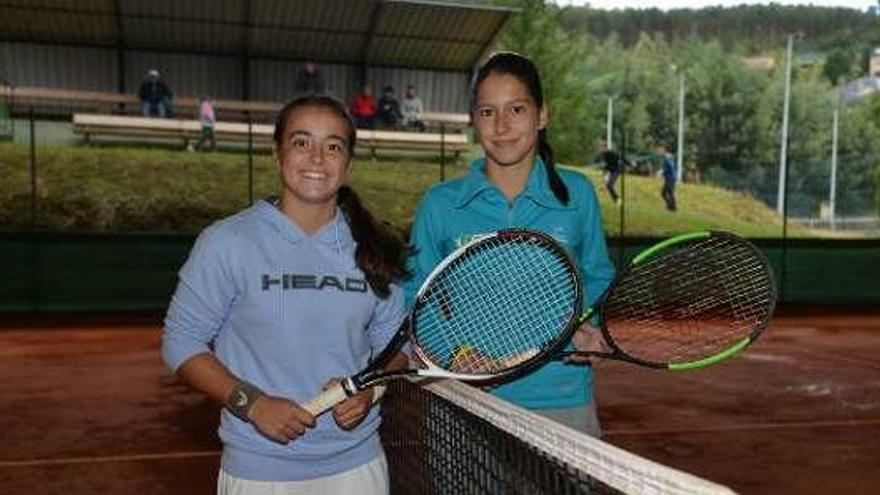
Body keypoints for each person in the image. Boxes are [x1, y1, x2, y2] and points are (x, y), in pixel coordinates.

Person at [162, 94, 409, 493]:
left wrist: (371, 388)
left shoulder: (374, 248)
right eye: (301, 142)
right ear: (277, 154)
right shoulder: (227, 242)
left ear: (348, 164)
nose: (316, 158)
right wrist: (252, 403)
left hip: (356, 467)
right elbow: (180, 342)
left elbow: (397, 347)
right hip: (259, 471)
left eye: (333, 146)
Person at [407, 52, 615, 437]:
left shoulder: (578, 195)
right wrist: (458, 353)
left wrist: (587, 325)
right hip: (467, 400)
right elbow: (414, 298)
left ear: (542, 115)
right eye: (487, 112)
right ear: (474, 120)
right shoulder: (439, 204)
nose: (501, 126)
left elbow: (598, 277)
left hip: (563, 402)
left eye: (516, 109)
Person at [595, 138, 628, 205]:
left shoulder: (611, 153)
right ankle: (616, 199)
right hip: (611, 171)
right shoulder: (603, 154)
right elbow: (607, 164)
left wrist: (630, 164)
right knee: (608, 185)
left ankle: (618, 200)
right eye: (599, 147)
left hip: (616, 170)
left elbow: (621, 158)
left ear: (605, 147)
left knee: (609, 185)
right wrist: (605, 170)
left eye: (601, 147)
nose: (599, 149)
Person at [657, 142, 677, 212]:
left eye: (660, 149)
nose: (659, 151)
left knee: (670, 193)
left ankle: (673, 208)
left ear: (664, 149)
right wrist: (662, 171)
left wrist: (662, 171)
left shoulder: (668, 157)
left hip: (671, 178)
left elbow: (671, 167)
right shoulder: (666, 156)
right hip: (668, 178)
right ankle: (670, 207)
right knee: (664, 193)